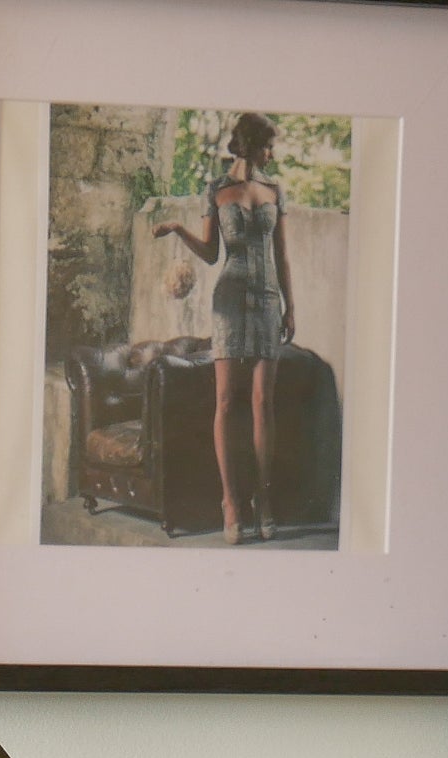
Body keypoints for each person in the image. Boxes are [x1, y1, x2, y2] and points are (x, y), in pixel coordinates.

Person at [154, 112, 296, 544]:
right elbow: (212, 253)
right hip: (229, 302)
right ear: (251, 144)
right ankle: (231, 503)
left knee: (262, 403)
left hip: (268, 299)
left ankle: (264, 501)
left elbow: (282, 256)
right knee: (226, 401)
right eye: (268, 145)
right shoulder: (216, 191)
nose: (271, 154)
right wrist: (179, 228)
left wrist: (291, 308)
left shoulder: (273, 189)